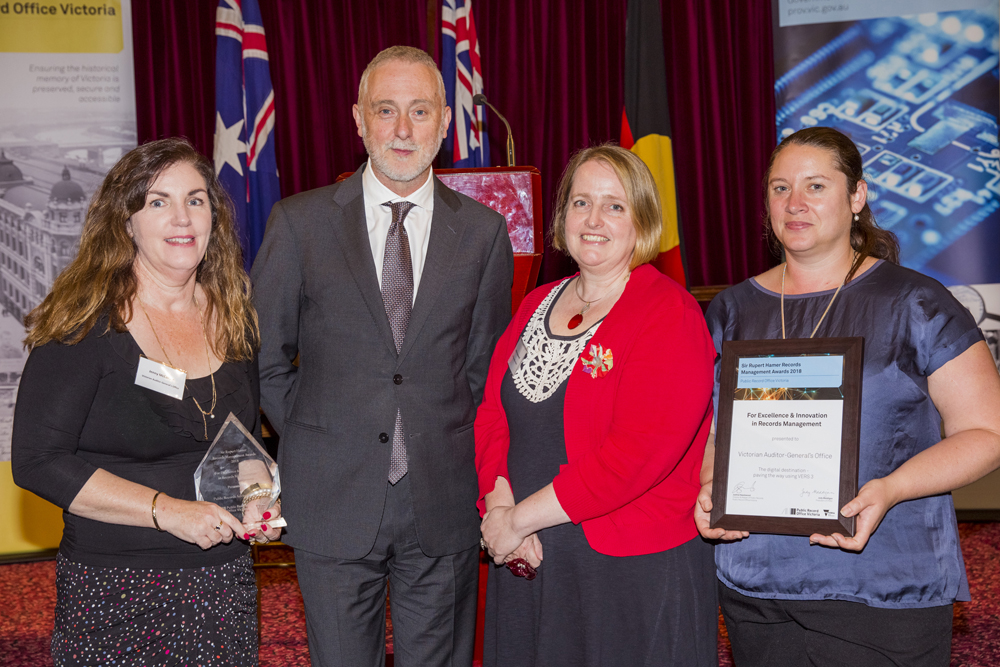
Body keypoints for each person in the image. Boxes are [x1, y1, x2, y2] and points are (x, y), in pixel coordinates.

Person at [696, 126, 1000, 666]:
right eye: (780, 188)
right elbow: (715, 431)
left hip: (882, 587)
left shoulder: (916, 301)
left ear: (857, 196)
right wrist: (709, 484)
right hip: (755, 587)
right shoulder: (731, 310)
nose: (795, 203)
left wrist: (891, 488)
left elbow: (987, 432)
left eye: (816, 186)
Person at [251, 45, 513, 667]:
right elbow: (261, 358)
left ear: (445, 123)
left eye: (419, 111)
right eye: (385, 109)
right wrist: (318, 438)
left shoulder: (483, 234)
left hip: (444, 498)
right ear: (358, 119)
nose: (402, 129)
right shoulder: (299, 224)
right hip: (331, 496)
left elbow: (485, 372)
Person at [11, 138, 277, 667]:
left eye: (195, 200)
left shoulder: (236, 313)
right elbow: (37, 461)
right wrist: (168, 512)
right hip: (118, 587)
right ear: (126, 222)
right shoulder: (83, 321)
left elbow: (241, 441)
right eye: (158, 202)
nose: (182, 218)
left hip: (222, 585)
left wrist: (256, 496)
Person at [476, 145, 719, 666]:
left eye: (614, 206)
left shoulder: (669, 314)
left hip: (627, 573)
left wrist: (517, 520)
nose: (593, 219)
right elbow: (493, 414)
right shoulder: (534, 303)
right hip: (529, 561)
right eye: (581, 202)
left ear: (642, 220)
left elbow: (634, 456)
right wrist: (497, 508)